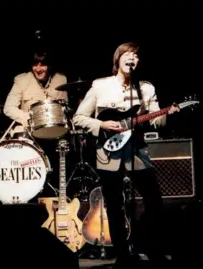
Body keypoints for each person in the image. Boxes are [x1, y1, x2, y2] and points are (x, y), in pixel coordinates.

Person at [72, 42, 179, 268]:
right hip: (108, 153)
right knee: (114, 204)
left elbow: (156, 119)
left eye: (136, 56)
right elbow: (78, 118)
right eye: (127, 54)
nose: (132, 58)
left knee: (154, 202)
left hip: (137, 150)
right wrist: (101, 123)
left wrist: (166, 114)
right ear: (118, 60)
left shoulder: (146, 88)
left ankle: (150, 248)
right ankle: (123, 254)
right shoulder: (101, 86)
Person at [3, 48, 68, 196]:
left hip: (54, 135)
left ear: (49, 65)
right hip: (29, 135)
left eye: (42, 64)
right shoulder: (21, 80)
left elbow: (64, 109)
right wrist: (29, 119)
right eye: (35, 64)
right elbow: (8, 108)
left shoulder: (61, 80)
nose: (38, 69)